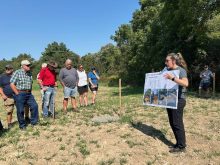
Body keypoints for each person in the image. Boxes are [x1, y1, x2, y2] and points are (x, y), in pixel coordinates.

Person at [163, 52, 189, 153]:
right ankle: (178, 143)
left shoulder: (181, 70)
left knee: (177, 123)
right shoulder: (167, 70)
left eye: (167, 60)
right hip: (169, 100)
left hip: (179, 100)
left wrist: (173, 78)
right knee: (172, 122)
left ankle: (182, 146)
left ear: (173, 61)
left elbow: (186, 83)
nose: (165, 63)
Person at [10, 60, 39, 130]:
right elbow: (12, 84)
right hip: (20, 93)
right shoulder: (17, 72)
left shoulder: (30, 73)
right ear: (23, 66)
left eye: (29, 65)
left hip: (29, 93)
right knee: (20, 110)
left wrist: (29, 91)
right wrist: (17, 93)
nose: (29, 66)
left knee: (34, 106)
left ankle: (34, 122)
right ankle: (22, 125)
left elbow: (30, 84)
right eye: (27, 65)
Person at [0, 64, 14, 128]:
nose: (7, 70)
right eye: (6, 68)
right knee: (9, 111)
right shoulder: (2, 77)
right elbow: (0, 87)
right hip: (8, 97)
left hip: (16, 95)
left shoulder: (14, 75)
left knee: (20, 109)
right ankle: (9, 123)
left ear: (12, 69)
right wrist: (3, 95)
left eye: (9, 68)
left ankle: (21, 121)